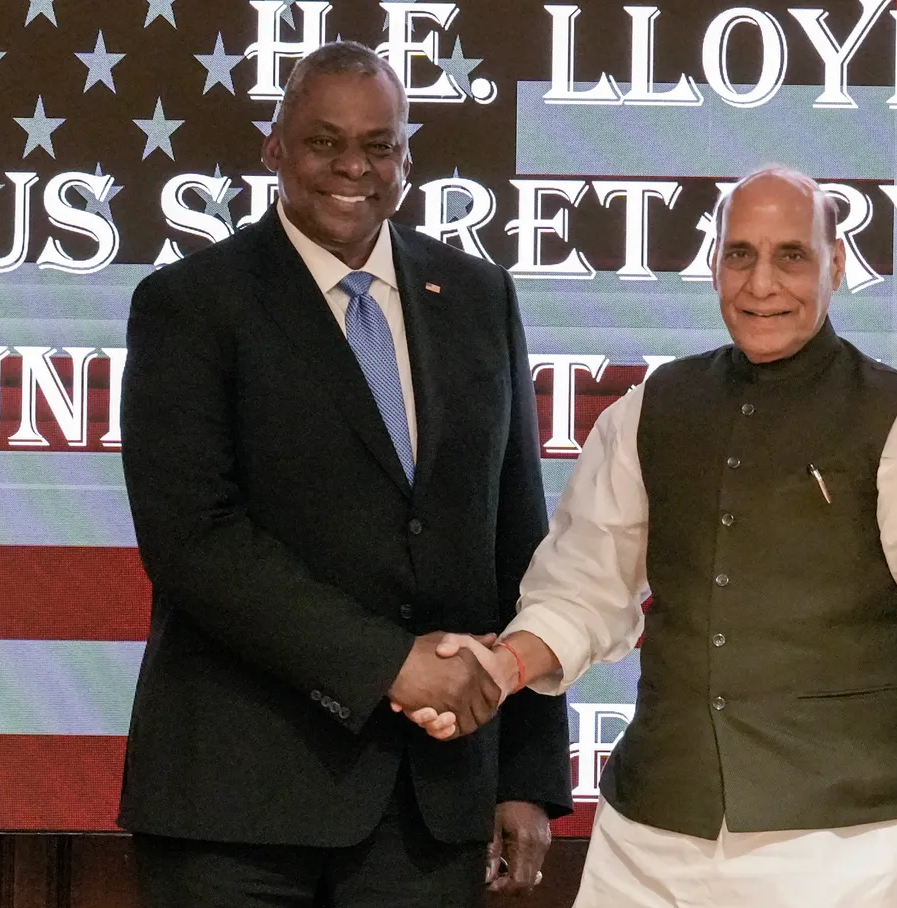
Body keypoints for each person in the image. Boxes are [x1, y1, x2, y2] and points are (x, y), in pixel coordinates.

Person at [418, 167, 897, 907]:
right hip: (652, 840)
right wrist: (499, 667)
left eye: (791, 256)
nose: (762, 283)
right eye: (741, 255)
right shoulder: (648, 412)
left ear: (836, 265)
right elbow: (582, 592)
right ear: (715, 266)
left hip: (850, 846)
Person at [117, 41, 571, 908]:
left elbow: (519, 538)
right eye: (325, 142)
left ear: (408, 154)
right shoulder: (191, 304)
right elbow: (193, 542)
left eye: (380, 144)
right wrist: (387, 664)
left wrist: (526, 773)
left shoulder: (479, 297)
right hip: (235, 808)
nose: (353, 166)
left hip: (429, 808)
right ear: (274, 147)